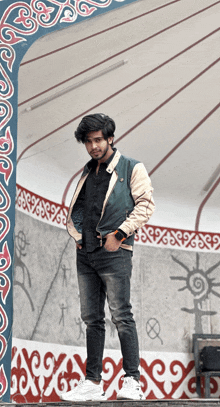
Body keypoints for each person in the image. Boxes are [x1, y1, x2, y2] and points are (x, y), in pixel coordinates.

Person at [61, 113, 155, 402]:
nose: (93, 146)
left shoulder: (131, 167)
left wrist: (120, 234)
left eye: (98, 140)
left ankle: (132, 381)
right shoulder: (88, 171)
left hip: (114, 253)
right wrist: (77, 238)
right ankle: (93, 382)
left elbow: (146, 206)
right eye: (88, 142)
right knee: (92, 319)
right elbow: (80, 210)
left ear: (110, 138)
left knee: (122, 316)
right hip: (86, 254)